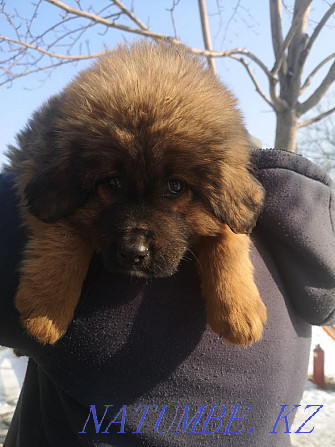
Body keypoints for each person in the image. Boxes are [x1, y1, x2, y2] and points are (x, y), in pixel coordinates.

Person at [0, 148, 334, 447]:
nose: (136, 244)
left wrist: (227, 250)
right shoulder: (307, 243)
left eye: (175, 188)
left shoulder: (223, 190)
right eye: (112, 185)